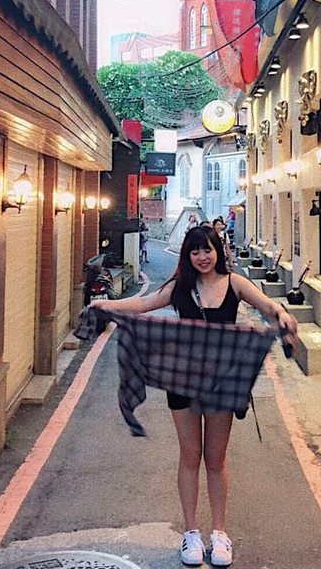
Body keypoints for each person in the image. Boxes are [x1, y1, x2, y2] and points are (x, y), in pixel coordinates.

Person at [90, 226, 298, 566]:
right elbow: (143, 303)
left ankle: (219, 533)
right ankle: (190, 533)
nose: (202, 257)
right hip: (182, 380)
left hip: (222, 383)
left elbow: (268, 305)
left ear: (218, 251)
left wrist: (283, 314)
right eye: (195, 251)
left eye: (207, 250)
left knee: (216, 460)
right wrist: (107, 304)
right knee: (190, 456)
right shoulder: (179, 287)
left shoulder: (235, 283)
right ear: (188, 256)